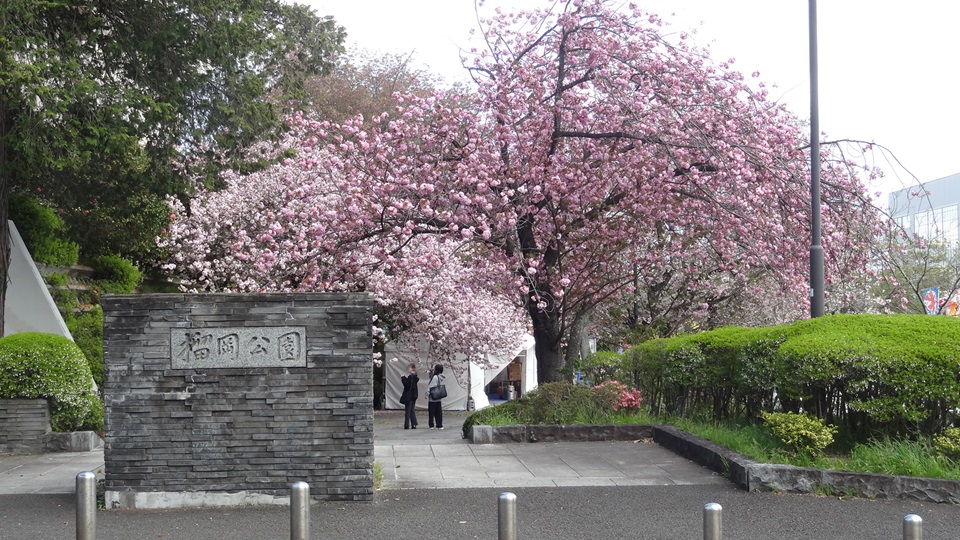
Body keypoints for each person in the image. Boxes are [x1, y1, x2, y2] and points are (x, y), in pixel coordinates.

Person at [400, 363, 419, 429]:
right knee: (411, 410)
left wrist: (403, 377)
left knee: (408, 410)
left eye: (409, 367)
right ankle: (414, 424)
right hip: (414, 395)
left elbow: (407, 385)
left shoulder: (411, 377)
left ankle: (407, 424)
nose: (408, 369)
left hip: (409, 395)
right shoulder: (415, 376)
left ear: (412, 368)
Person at [427, 364, 445, 429]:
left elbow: (432, 385)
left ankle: (431, 425)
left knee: (431, 412)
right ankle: (439, 425)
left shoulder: (435, 377)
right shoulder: (441, 377)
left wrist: (427, 393)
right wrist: (431, 373)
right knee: (438, 412)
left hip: (433, 397)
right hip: (439, 397)